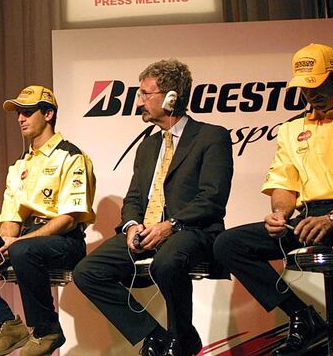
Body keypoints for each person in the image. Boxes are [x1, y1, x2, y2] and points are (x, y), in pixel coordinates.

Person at [214, 43, 333, 356]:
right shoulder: (292, 128)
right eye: (304, 87)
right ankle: (302, 317)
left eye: (317, 85)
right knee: (227, 244)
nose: (310, 94)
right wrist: (279, 214)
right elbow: (283, 184)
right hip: (309, 218)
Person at [73, 59, 233, 356]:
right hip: (147, 231)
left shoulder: (212, 136)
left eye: (146, 94)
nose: (139, 102)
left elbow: (212, 198)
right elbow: (134, 198)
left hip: (192, 230)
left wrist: (170, 225)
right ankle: (156, 335)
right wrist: (131, 226)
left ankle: (181, 338)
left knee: (167, 261)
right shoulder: (147, 147)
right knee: (87, 271)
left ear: (171, 98)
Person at [0, 85, 96, 356]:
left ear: (48, 114)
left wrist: (17, 242)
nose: (20, 119)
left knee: (22, 249)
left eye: (27, 112)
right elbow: (11, 218)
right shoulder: (19, 165)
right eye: (18, 113)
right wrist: (1, 244)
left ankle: (47, 330)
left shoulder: (71, 156)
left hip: (65, 241)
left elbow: (69, 219)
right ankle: (7, 325)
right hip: (25, 240)